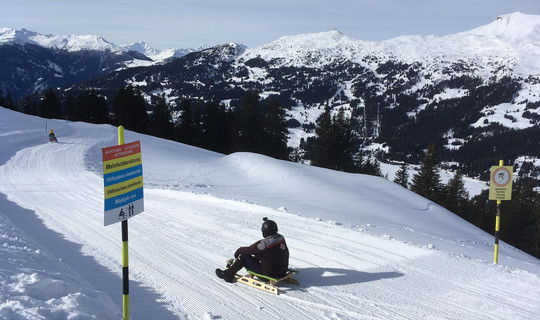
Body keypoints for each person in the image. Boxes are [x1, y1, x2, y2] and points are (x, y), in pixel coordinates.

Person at [216, 217, 289, 283]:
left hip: (269, 275)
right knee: (263, 254)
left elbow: (252, 249)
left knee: (243, 256)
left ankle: (227, 275)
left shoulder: (265, 244)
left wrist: (239, 250)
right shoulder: (281, 238)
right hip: (282, 271)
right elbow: (262, 250)